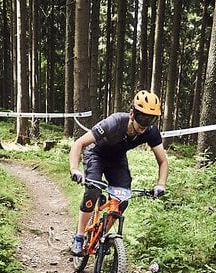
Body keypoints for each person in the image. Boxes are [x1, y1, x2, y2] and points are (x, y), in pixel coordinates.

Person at [68, 89, 169, 255]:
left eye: (150, 119)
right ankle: (79, 237)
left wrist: (161, 184)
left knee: (123, 199)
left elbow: (163, 161)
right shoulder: (114, 122)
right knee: (93, 191)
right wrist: (74, 169)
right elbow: (79, 144)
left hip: (117, 159)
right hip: (96, 154)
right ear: (131, 114)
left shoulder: (150, 132)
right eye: (141, 117)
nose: (145, 123)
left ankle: (102, 234)